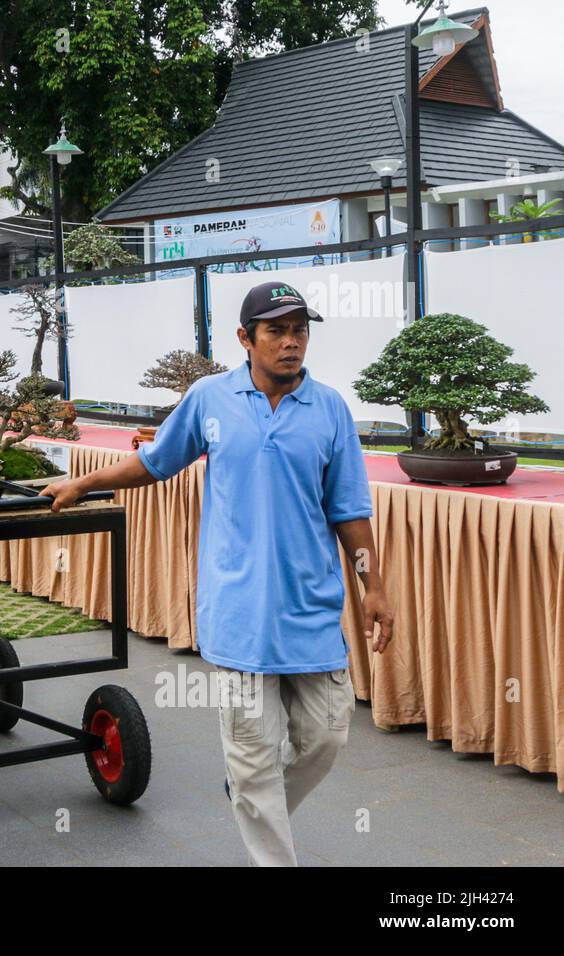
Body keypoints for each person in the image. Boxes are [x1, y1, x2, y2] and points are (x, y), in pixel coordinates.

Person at [45, 280, 394, 866]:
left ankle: (250, 792)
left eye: (299, 331)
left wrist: (373, 587)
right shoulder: (210, 398)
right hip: (237, 610)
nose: (291, 342)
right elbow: (154, 462)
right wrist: (83, 483)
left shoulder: (330, 408)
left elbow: (350, 511)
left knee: (326, 736)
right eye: (276, 331)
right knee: (254, 753)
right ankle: (260, 813)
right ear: (245, 338)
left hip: (310, 608)